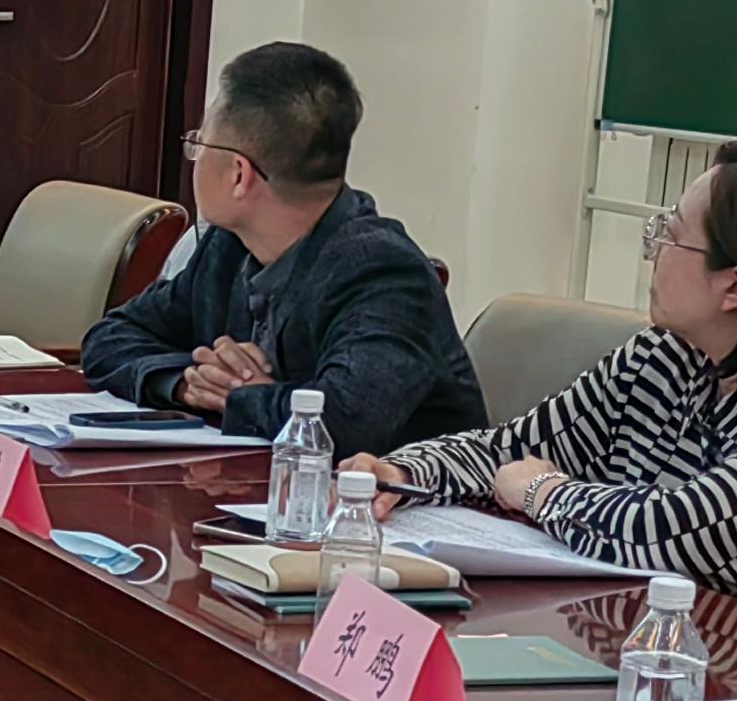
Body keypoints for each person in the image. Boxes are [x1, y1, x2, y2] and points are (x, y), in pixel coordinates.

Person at [352, 138, 737, 638]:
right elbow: (508, 450)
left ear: (734, 287)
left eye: (670, 236)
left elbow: (680, 531)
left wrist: (542, 492)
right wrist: (402, 474)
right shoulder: (668, 356)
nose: (652, 252)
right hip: (673, 644)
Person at [79, 41, 483, 455]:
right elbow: (109, 337)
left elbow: (343, 423)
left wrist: (239, 395)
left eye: (200, 144)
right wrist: (187, 383)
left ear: (239, 174)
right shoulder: (228, 245)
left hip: (387, 494)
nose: (194, 159)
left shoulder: (384, 273)